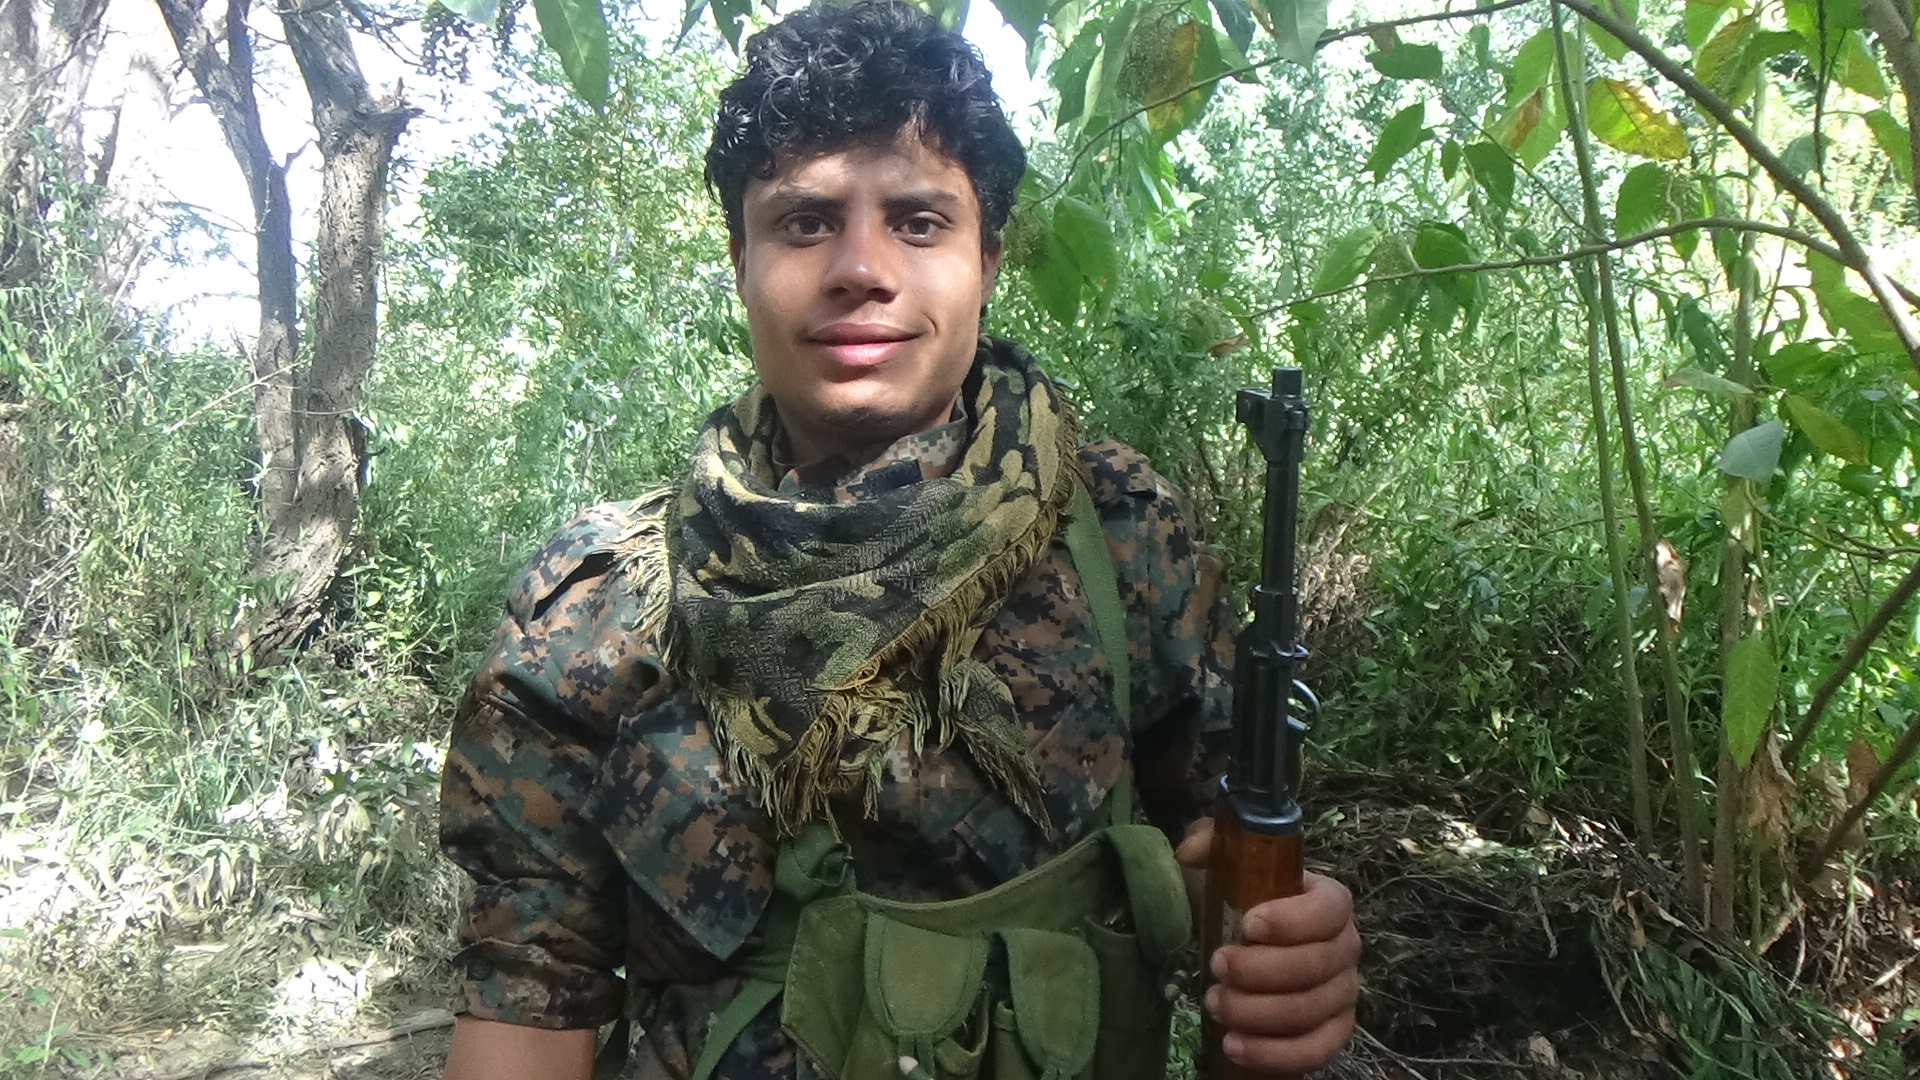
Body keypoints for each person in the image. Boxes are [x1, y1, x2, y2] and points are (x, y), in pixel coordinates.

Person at [438, 4, 1360, 1077]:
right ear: (740, 260)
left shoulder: (1120, 532)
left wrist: (1289, 953)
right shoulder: (602, 600)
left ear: (988, 262)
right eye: (804, 222)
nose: (860, 268)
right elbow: (527, 995)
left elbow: (1218, 851)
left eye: (919, 223)